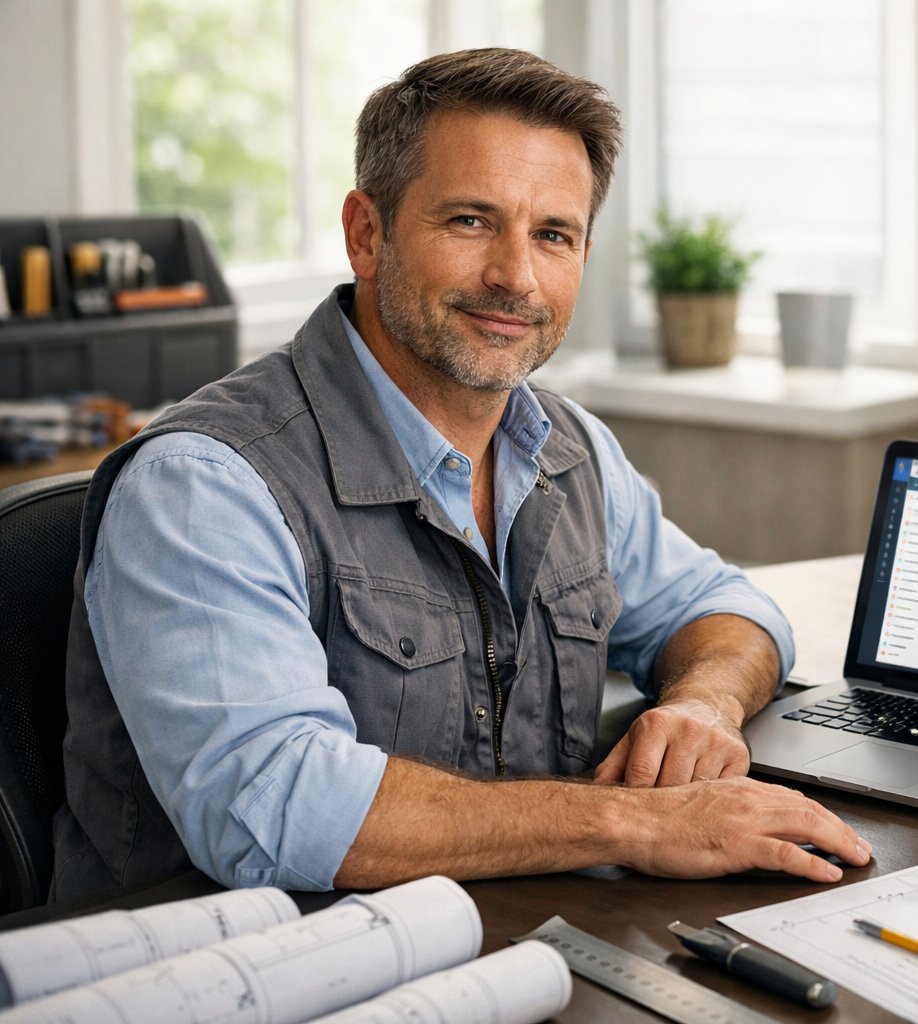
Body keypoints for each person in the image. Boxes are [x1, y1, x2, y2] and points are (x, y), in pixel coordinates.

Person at [52, 48, 870, 902]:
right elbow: (277, 808)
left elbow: (728, 610)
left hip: (511, 931)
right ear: (367, 234)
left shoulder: (570, 451)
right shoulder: (202, 485)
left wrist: (703, 703)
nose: (516, 277)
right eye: (472, 221)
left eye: (552, 235)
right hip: (248, 959)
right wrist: (639, 822)